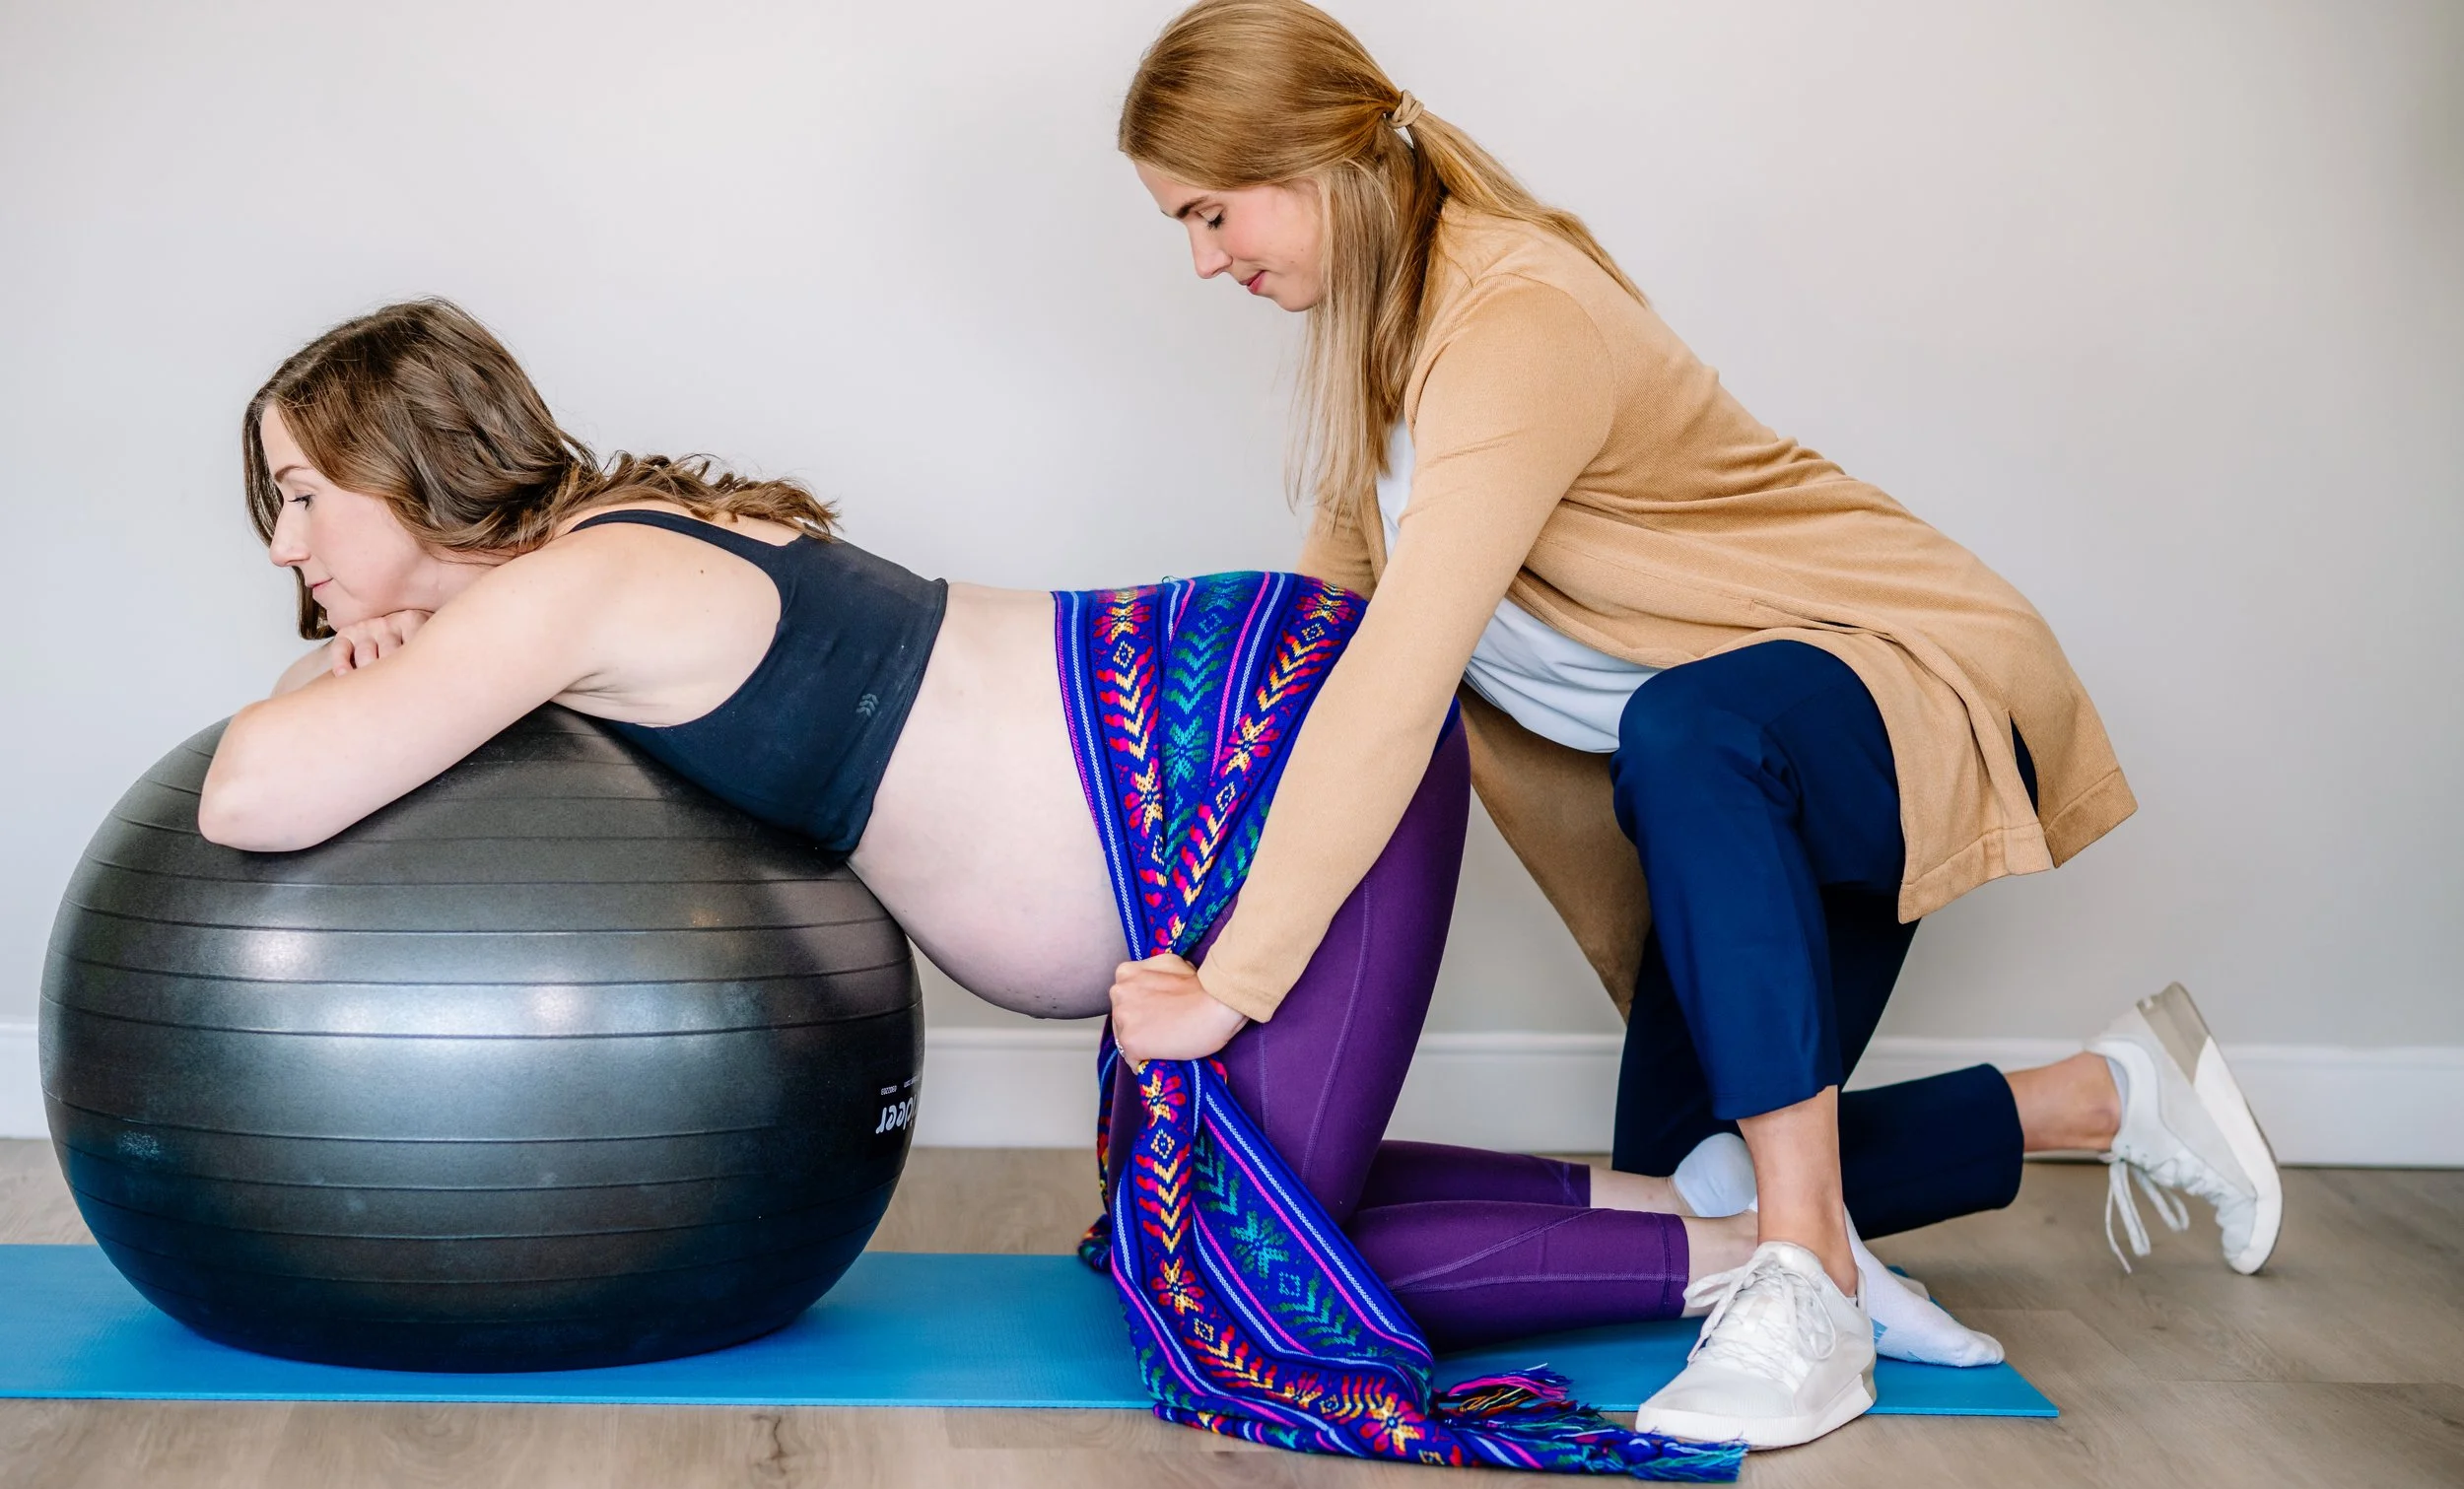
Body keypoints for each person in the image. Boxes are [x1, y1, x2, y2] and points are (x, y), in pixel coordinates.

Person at [208, 296, 1857, 1372]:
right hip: (1255, 706)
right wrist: (387, 642)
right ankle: (1744, 1212)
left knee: (1235, 1291)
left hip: (1275, 747)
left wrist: (357, 660)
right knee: (1184, 1223)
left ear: (403, 457)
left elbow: (252, 794)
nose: (286, 546)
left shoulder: (571, 590)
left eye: (300, 491)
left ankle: (1773, 1258)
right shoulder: (617, 541)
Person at [1104, 0, 2284, 1450]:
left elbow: (1396, 686)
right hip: (1737, 787)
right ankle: (2098, 1101)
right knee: (1694, 1183)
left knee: (1687, 731)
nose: (1205, 258)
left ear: (1310, 162)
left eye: (1212, 212)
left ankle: (1810, 1284)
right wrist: (1195, 879)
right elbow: (1325, 640)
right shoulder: (1376, 352)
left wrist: (1234, 983)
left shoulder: (1512, 316)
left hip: (1904, 677)